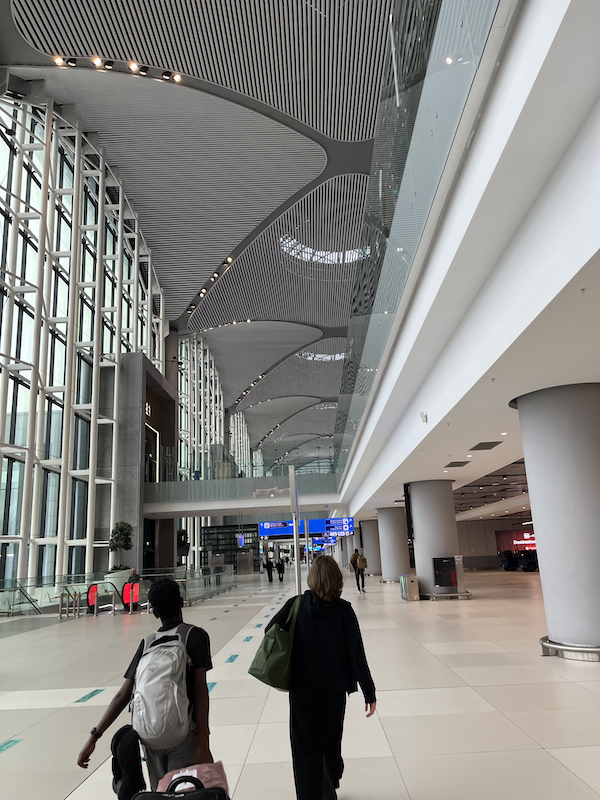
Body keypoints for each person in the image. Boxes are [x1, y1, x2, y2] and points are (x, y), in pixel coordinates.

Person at [77, 578, 213, 790]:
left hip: (149, 737)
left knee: (159, 792)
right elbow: (199, 691)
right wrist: (203, 744)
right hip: (183, 735)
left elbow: (123, 695)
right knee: (187, 792)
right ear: (181, 602)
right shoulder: (195, 636)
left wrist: (94, 736)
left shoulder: (148, 643)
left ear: (154, 612)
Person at [265, 556, 376, 800]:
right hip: (333, 692)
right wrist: (369, 692)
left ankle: (308, 794)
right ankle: (329, 783)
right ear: (337, 580)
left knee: (304, 746)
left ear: (312, 578)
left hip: (302, 690)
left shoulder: (296, 605)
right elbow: (356, 654)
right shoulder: (343, 611)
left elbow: (270, 630)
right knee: (330, 740)